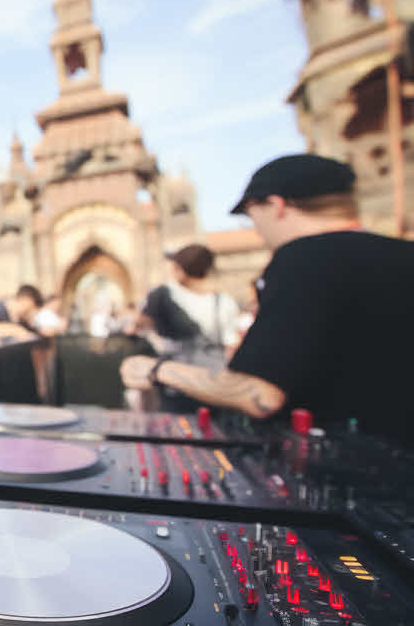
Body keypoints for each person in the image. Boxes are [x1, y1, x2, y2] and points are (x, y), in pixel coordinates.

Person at [121, 154, 414, 443]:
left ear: (276, 205)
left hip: (349, 470)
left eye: (251, 215)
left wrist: (155, 369)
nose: (256, 230)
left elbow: (260, 393)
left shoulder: (305, 257)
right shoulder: (403, 255)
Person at [136, 243, 239, 412]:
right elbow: (230, 345)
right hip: (212, 384)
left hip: (176, 383)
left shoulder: (164, 294)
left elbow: (140, 324)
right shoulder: (225, 302)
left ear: (179, 269)